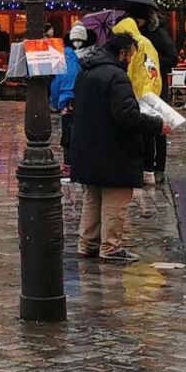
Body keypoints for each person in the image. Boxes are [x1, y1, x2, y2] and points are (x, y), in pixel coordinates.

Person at [68, 27, 149, 263]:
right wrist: (156, 124)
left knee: (92, 198)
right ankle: (111, 247)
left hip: (87, 148)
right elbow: (127, 116)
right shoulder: (116, 77)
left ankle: (87, 243)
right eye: (131, 55)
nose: (131, 59)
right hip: (114, 150)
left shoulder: (86, 72)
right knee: (116, 199)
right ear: (122, 53)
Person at [115, 12, 167, 185]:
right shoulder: (134, 46)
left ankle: (148, 169)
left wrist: (146, 94)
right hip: (133, 94)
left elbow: (151, 71)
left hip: (142, 95)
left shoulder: (143, 45)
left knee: (147, 133)